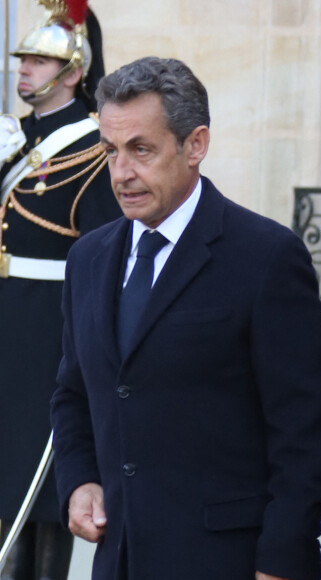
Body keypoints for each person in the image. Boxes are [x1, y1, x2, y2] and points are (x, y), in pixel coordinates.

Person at [49, 56, 321, 580]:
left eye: (141, 149)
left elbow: (304, 434)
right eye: (110, 151)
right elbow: (73, 393)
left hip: (231, 562)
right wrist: (80, 479)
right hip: (120, 561)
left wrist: (282, 562)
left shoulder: (267, 257)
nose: (121, 173)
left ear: (195, 144)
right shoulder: (86, 259)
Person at [0, 2, 121, 579]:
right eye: (22, 59)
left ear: (72, 72)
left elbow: (102, 255)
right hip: (6, 328)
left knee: (41, 489)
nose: (23, 70)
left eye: (39, 60)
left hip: (48, 330)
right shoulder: (13, 141)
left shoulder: (93, 148)